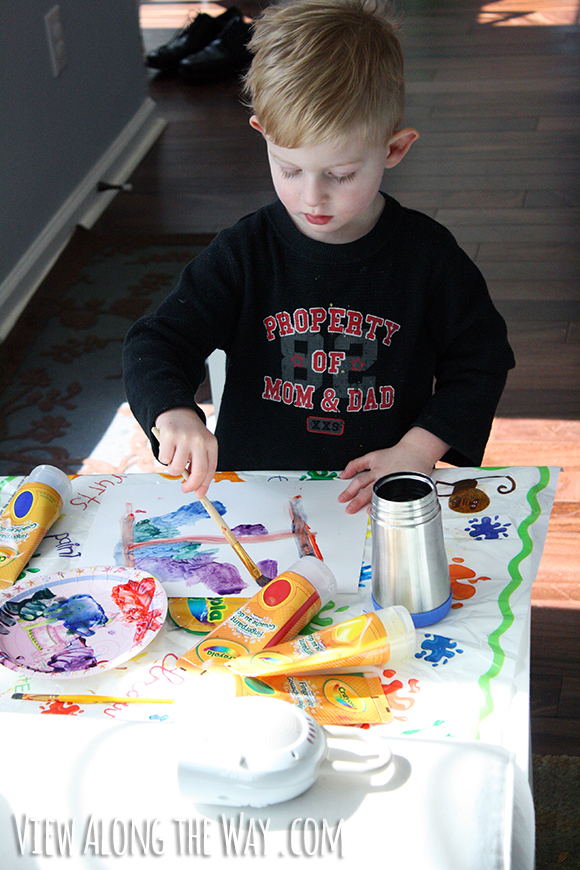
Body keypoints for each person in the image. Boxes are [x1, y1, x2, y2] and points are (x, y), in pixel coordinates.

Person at [123, 0, 515, 515]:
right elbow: (158, 341)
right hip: (254, 498)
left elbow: (482, 358)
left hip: (382, 495)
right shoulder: (243, 254)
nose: (312, 197)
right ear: (262, 134)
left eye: (341, 174)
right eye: (289, 169)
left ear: (394, 150)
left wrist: (420, 448)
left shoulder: (428, 258)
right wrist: (174, 411)